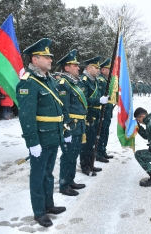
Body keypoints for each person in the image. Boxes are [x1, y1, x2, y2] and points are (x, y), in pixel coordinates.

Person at [16, 38, 66, 227]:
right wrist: (32, 142)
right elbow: (26, 116)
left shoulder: (48, 80)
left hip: (53, 136)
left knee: (48, 173)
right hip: (41, 139)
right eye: (47, 57)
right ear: (35, 59)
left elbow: (56, 109)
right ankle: (39, 212)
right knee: (37, 176)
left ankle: (49, 205)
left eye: (50, 57)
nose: (51, 60)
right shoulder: (29, 83)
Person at [56, 49, 87, 196]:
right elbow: (63, 108)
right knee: (67, 155)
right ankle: (64, 185)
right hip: (70, 126)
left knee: (74, 154)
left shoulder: (74, 83)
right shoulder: (63, 83)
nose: (78, 68)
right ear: (67, 68)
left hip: (78, 124)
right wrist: (66, 129)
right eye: (75, 65)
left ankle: (71, 180)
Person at [80, 56, 109, 176]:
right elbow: (83, 100)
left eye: (98, 68)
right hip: (87, 117)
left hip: (95, 116)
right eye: (96, 68)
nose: (98, 70)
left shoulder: (94, 80)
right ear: (89, 68)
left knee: (92, 142)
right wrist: (98, 101)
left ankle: (90, 163)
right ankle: (85, 165)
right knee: (86, 144)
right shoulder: (84, 81)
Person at [96, 58, 114, 163]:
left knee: (105, 132)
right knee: (101, 132)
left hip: (107, 111)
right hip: (103, 111)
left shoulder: (107, 80)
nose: (111, 71)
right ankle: (99, 153)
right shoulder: (101, 81)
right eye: (108, 69)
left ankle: (103, 150)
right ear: (103, 70)